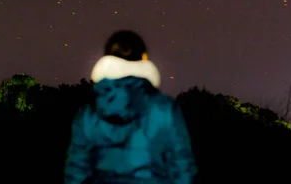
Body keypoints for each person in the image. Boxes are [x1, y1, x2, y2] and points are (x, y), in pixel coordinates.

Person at [65, 30, 198, 183]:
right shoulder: (165, 109)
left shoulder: (89, 112)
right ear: (144, 59)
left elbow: (76, 170)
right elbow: (182, 167)